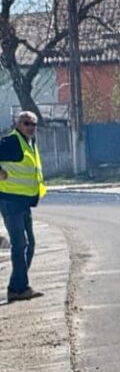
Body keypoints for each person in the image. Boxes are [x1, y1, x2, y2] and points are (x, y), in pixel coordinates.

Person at [0, 110, 45, 302]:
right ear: (18, 124)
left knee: (29, 244)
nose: (31, 127)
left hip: (23, 202)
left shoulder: (30, 143)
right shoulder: (12, 141)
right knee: (20, 244)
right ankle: (21, 288)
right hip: (10, 201)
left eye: (33, 124)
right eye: (26, 123)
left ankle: (16, 287)